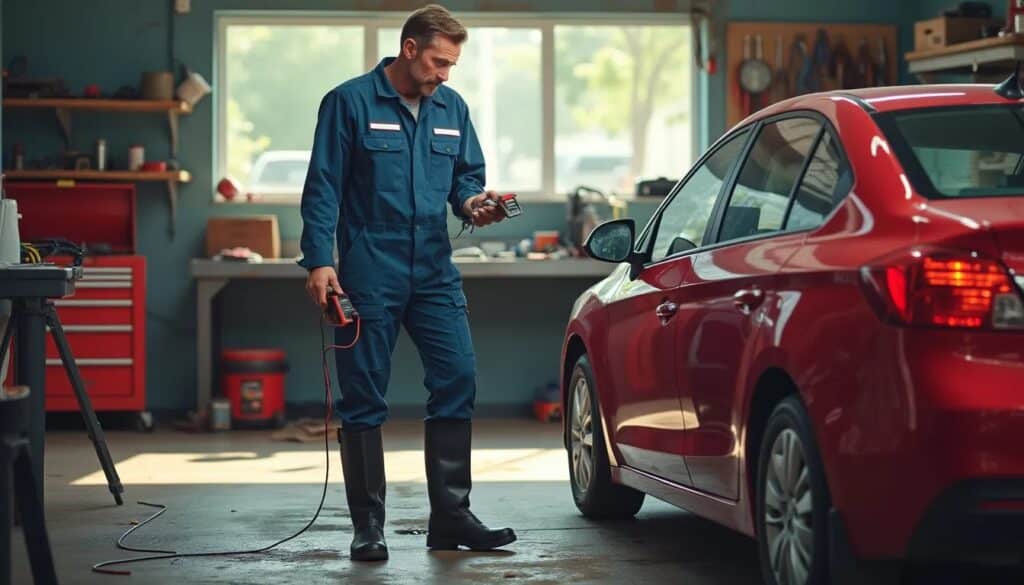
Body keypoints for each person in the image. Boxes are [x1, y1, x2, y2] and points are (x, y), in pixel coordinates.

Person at [298, 4, 516, 562]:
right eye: (440, 61)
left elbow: (466, 179)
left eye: (453, 64)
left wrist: (475, 203)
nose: (446, 73)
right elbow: (323, 186)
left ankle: (451, 517)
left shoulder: (452, 107)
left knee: (457, 377)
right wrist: (319, 260)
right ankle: (367, 525)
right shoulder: (348, 102)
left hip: (435, 267)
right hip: (370, 265)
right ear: (410, 48)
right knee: (363, 395)